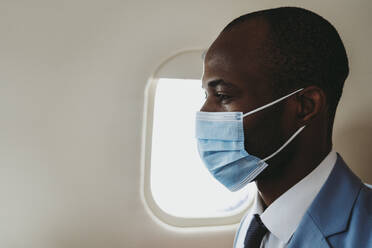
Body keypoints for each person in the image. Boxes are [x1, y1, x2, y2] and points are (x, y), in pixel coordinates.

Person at [195, 6, 372, 248]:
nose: (204, 113)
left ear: (304, 106)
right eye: (206, 95)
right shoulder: (254, 224)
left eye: (223, 95)